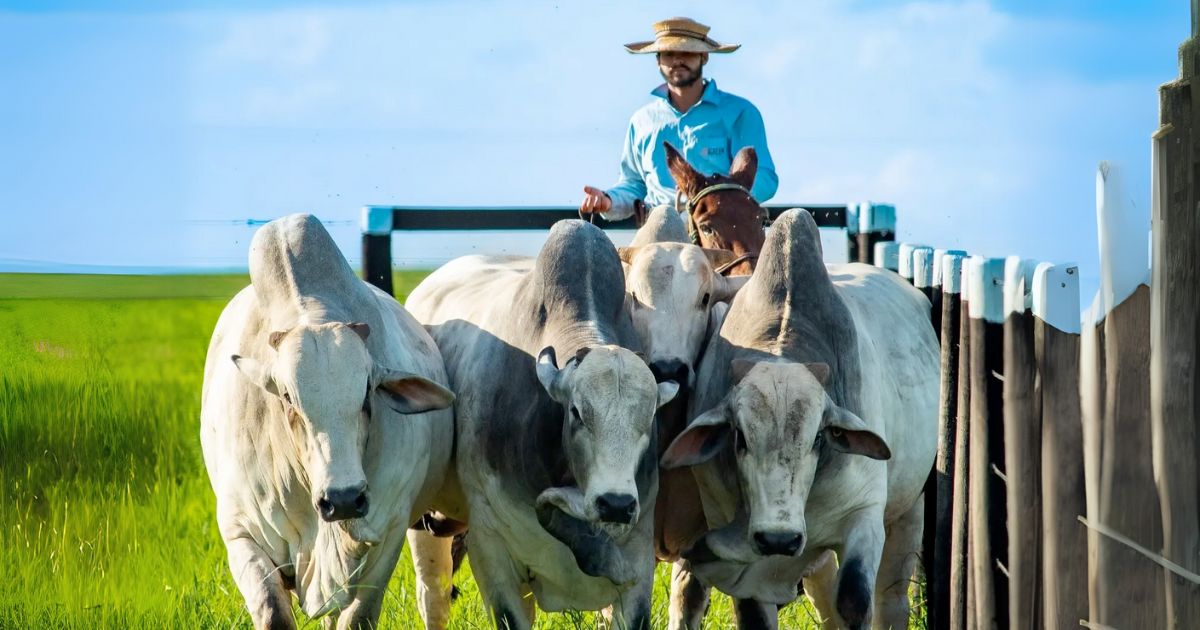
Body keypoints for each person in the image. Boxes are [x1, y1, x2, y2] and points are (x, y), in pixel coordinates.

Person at [580, 16, 779, 222]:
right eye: (668, 53)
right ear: (657, 60)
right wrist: (608, 200)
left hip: (722, 229)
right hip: (658, 231)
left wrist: (717, 199)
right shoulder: (641, 121)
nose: (677, 60)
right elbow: (634, 185)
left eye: (687, 51)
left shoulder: (740, 113)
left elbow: (764, 178)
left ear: (704, 56)